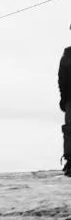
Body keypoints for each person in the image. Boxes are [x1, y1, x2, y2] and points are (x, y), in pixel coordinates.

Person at [59, 38, 71, 176]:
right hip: (69, 99)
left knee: (69, 130)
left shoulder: (67, 55)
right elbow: (62, 78)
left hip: (69, 100)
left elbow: (61, 79)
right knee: (69, 130)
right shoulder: (68, 55)